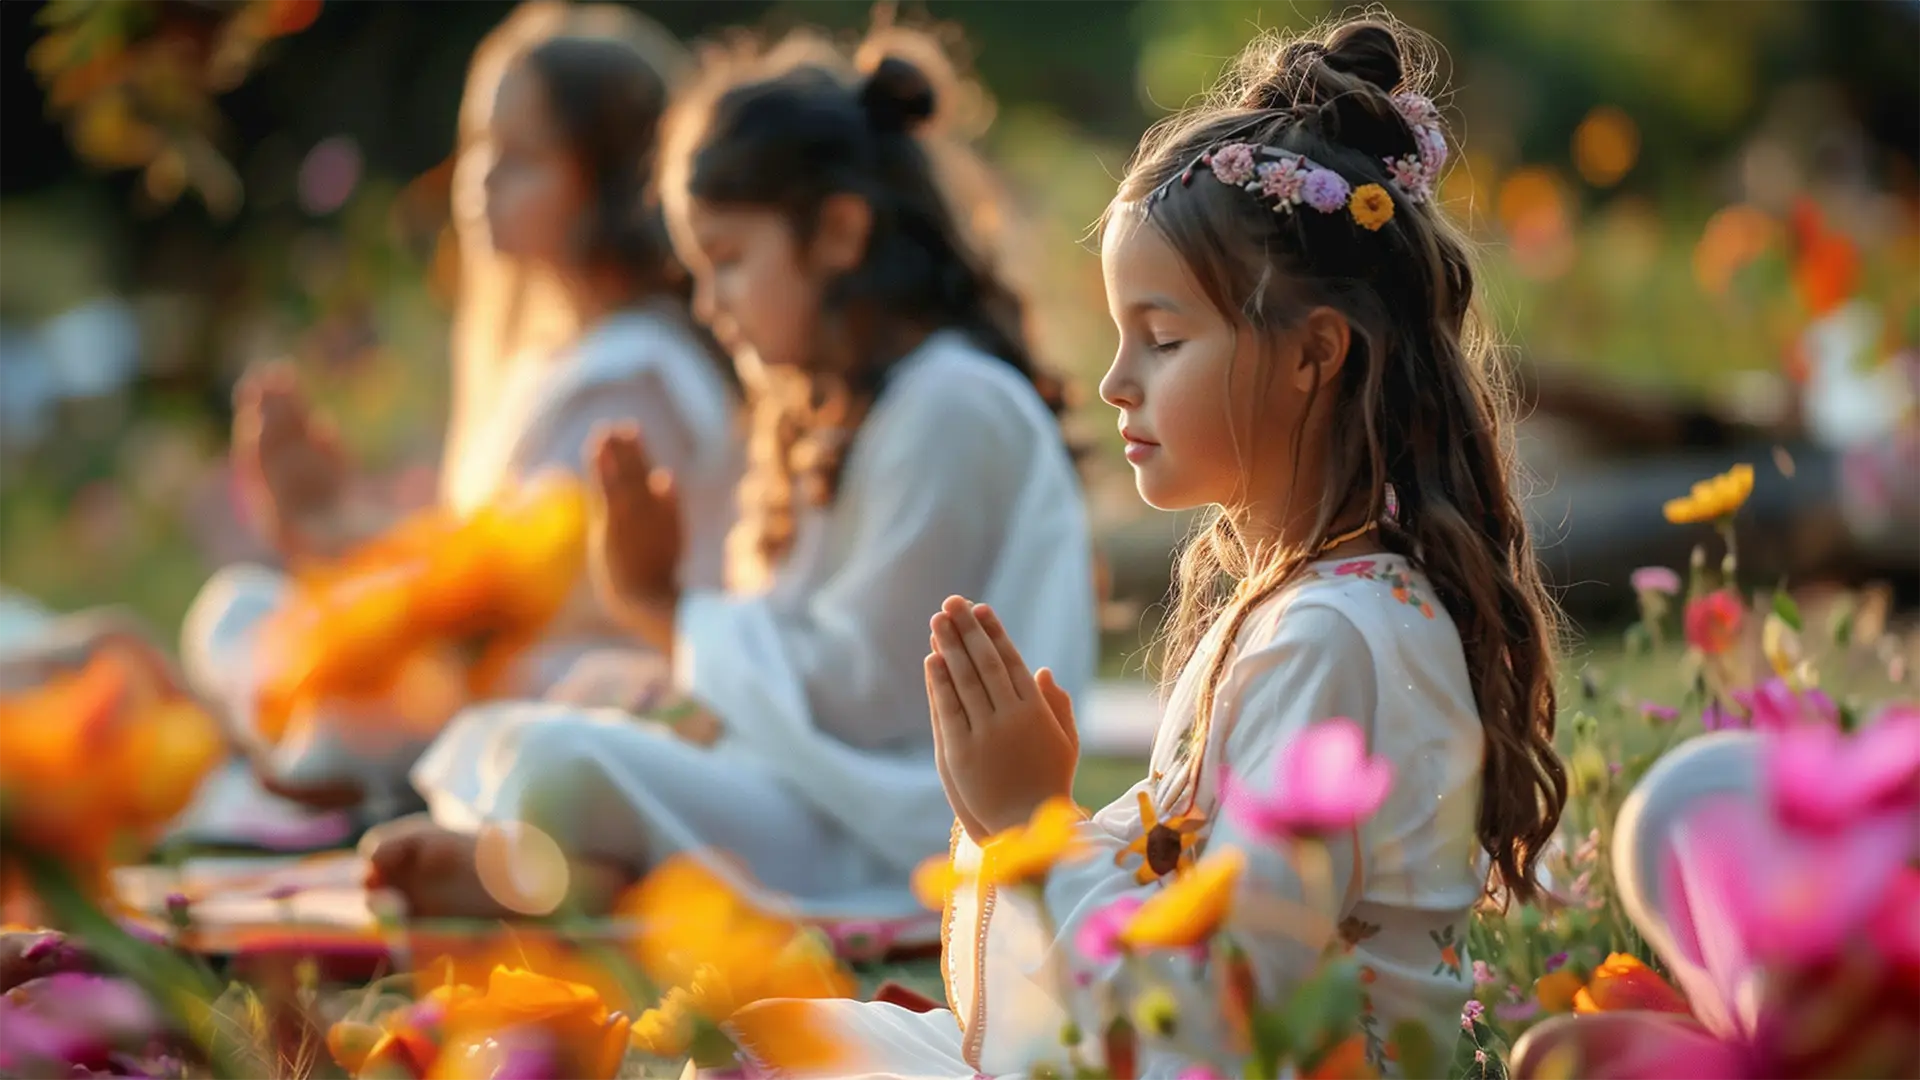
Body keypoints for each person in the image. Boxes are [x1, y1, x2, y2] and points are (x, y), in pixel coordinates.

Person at [725, 17, 1569, 1078]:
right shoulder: (1313, 610)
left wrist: (1032, 828)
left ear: (1314, 353)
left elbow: (1230, 1007)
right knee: (782, 1039)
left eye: (1163, 340)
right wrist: (1041, 822)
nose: (1116, 381)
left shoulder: (1328, 635)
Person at [364, 24, 1099, 923]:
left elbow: (867, 697)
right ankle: (583, 877)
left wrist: (668, 613)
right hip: (805, 792)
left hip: (904, 829)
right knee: (551, 716)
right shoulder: (847, 404)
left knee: (555, 759)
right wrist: (662, 668)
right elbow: (793, 664)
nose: (710, 307)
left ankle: (577, 877)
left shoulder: (953, 404)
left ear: (838, 231)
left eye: (729, 263)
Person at [173, 1, 741, 832]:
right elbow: (474, 566)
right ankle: (302, 773)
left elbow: (520, 605)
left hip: (600, 691)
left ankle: (302, 783)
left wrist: (341, 531)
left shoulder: (633, 372)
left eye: (522, 158)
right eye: (479, 147)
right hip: (500, 676)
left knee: (311, 676)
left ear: (622, 180)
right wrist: (341, 532)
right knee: (241, 612)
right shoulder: (562, 357)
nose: (480, 178)